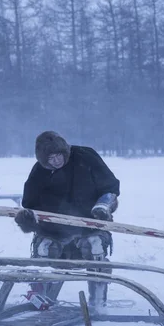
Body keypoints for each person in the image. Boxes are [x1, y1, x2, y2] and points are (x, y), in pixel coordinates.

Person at [14, 131, 120, 308]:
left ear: (64, 150)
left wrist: (104, 208)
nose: (56, 161)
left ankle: (98, 302)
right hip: (53, 229)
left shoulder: (86, 157)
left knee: (95, 246)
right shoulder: (39, 171)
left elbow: (110, 188)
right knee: (43, 249)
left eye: (58, 155)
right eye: (50, 158)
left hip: (90, 224)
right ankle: (40, 300)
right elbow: (29, 205)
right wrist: (27, 220)